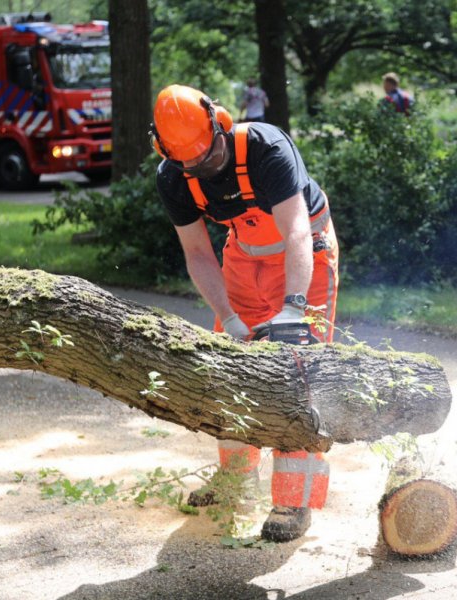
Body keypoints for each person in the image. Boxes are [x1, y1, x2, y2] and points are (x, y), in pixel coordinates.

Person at [151, 84, 339, 542]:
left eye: (207, 156)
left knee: (301, 376)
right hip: (243, 254)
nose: (200, 167)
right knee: (229, 369)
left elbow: (295, 230)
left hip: (304, 256)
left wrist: (295, 308)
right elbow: (198, 254)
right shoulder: (174, 176)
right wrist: (229, 318)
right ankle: (234, 481)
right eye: (187, 162)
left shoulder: (265, 147)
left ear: (221, 123)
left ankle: (295, 499)